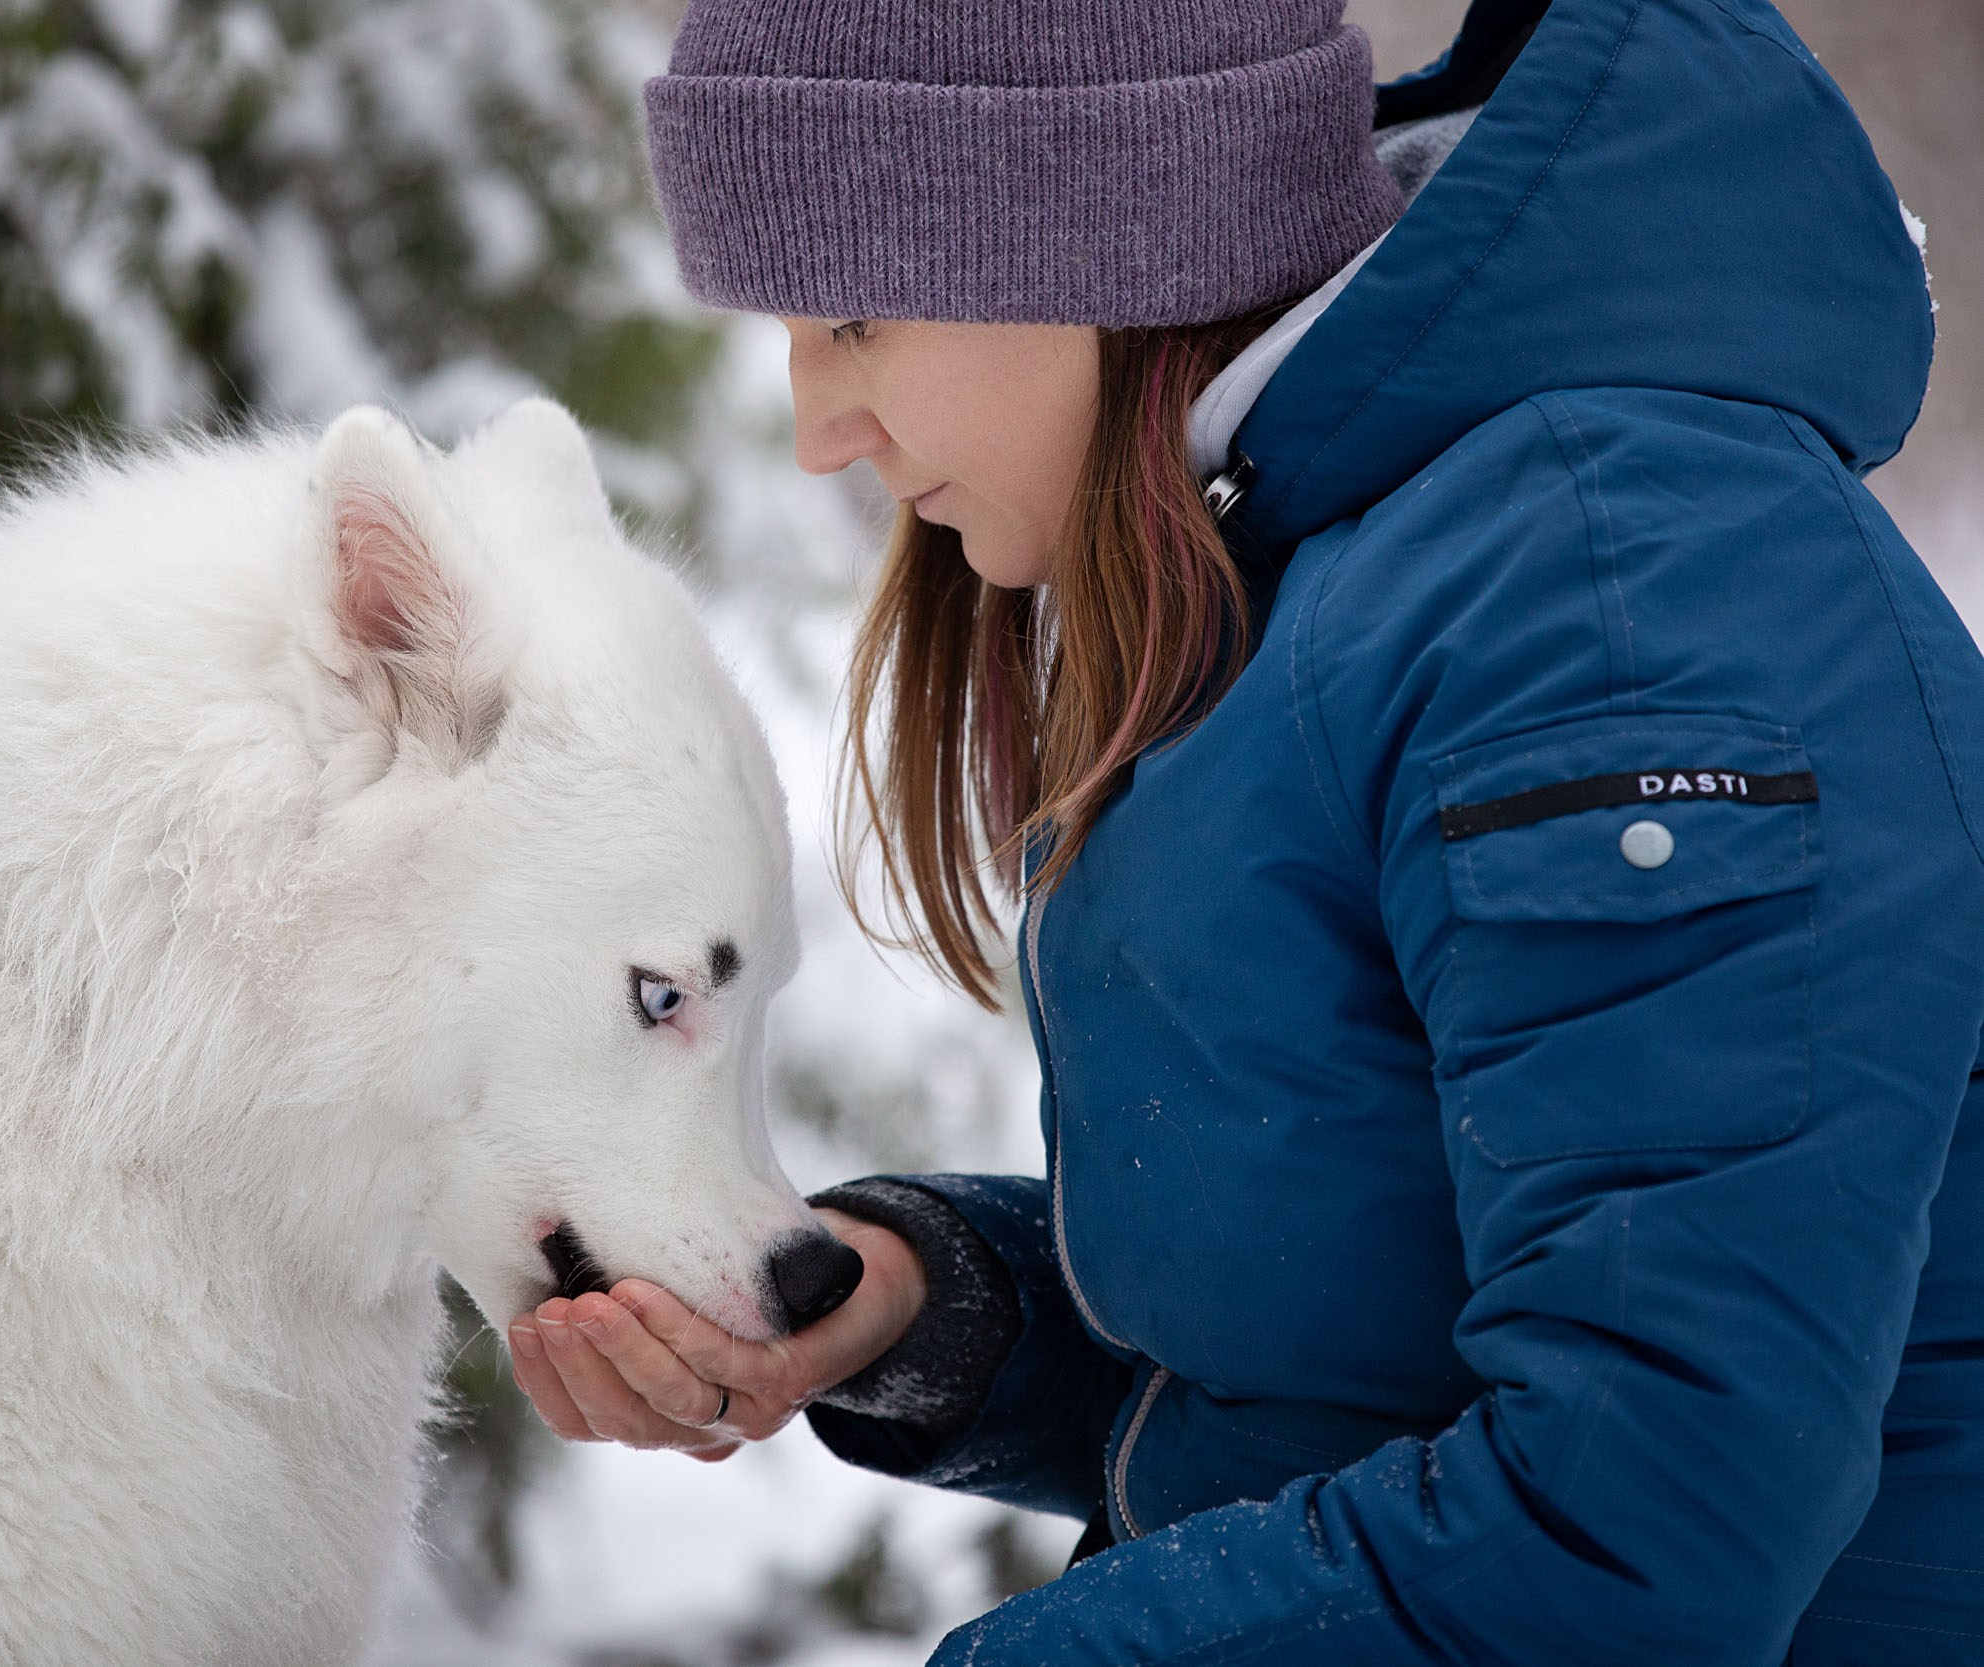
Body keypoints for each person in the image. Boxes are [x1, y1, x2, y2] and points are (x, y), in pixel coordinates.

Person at [506, 0, 1984, 1658]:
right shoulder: (1313, 568)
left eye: (852, 315)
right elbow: (1356, 1349)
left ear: (1109, 230)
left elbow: (1644, 1508)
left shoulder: (1611, 598)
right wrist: (915, 1310)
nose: (816, 430)